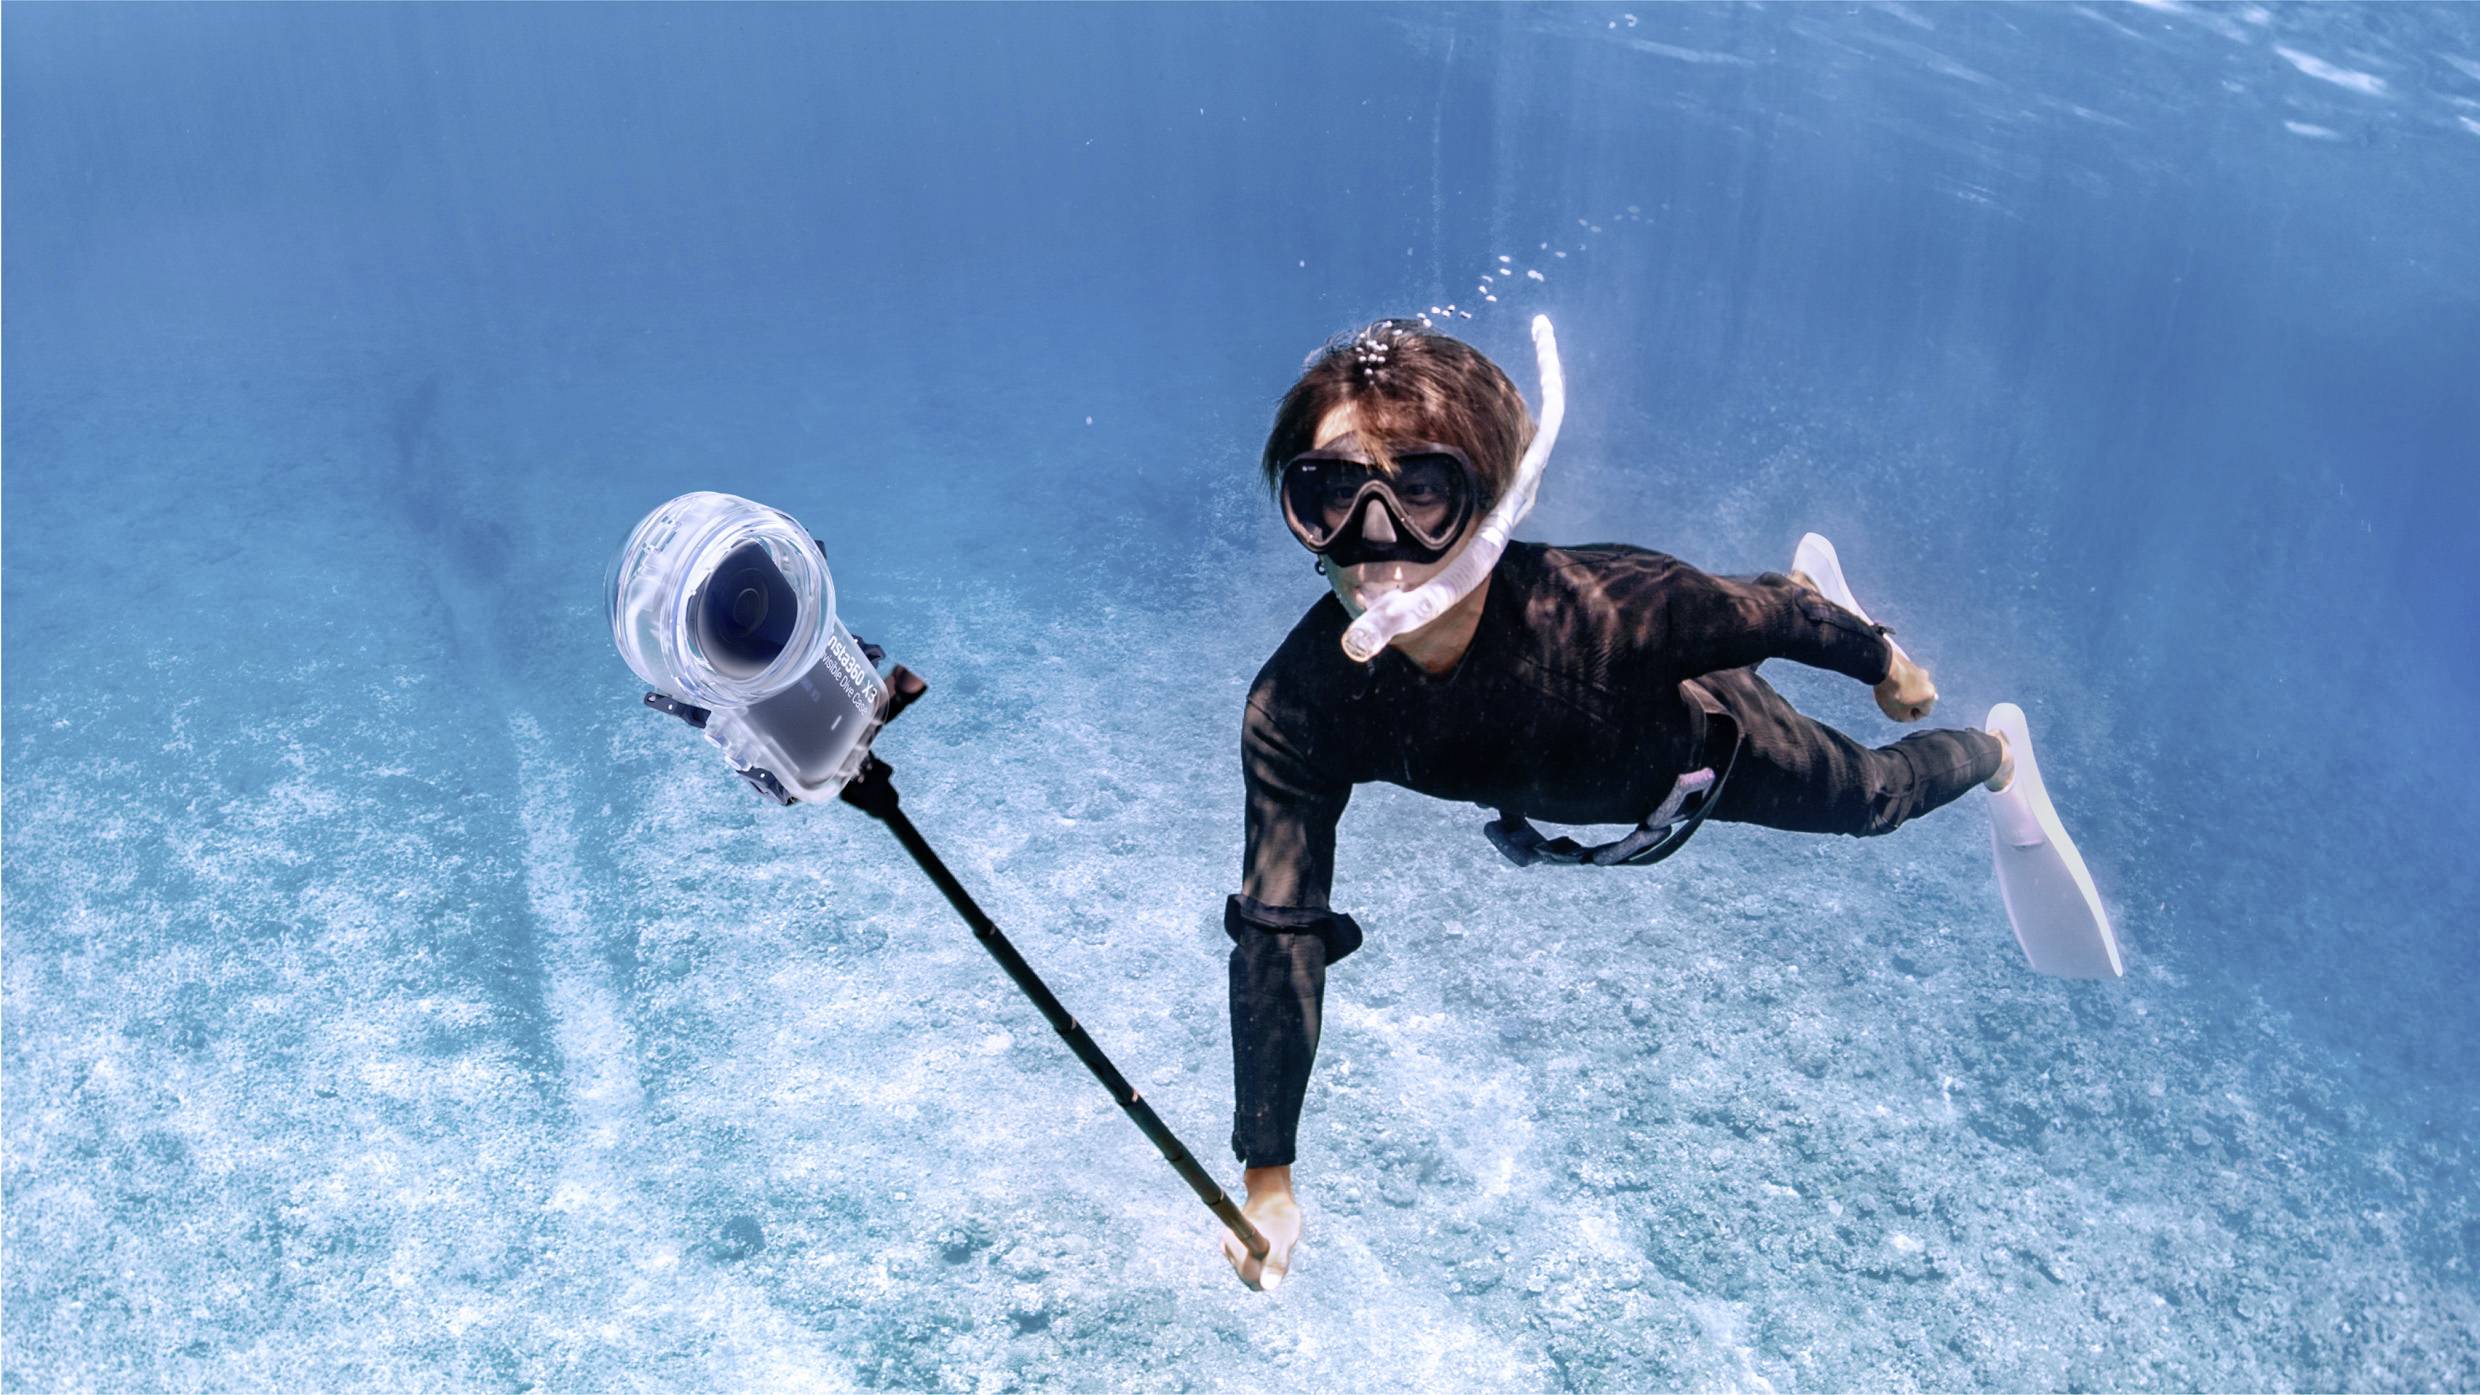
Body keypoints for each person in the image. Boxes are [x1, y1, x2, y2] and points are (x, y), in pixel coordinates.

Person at [1217, 319, 2018, 1291]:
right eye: (1332, 495)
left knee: (1872, 797)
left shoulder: (1616, 607)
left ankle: (1991, 754)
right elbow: (1278, 933)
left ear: (1492, 503)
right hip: (1597, 768)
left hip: (1708, 745)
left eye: (1422, 491)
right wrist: (1268, 1177)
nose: (1375, 545)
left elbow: (1765, 620)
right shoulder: (1297, 707)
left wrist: (1883, 662)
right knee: (1756, 635)